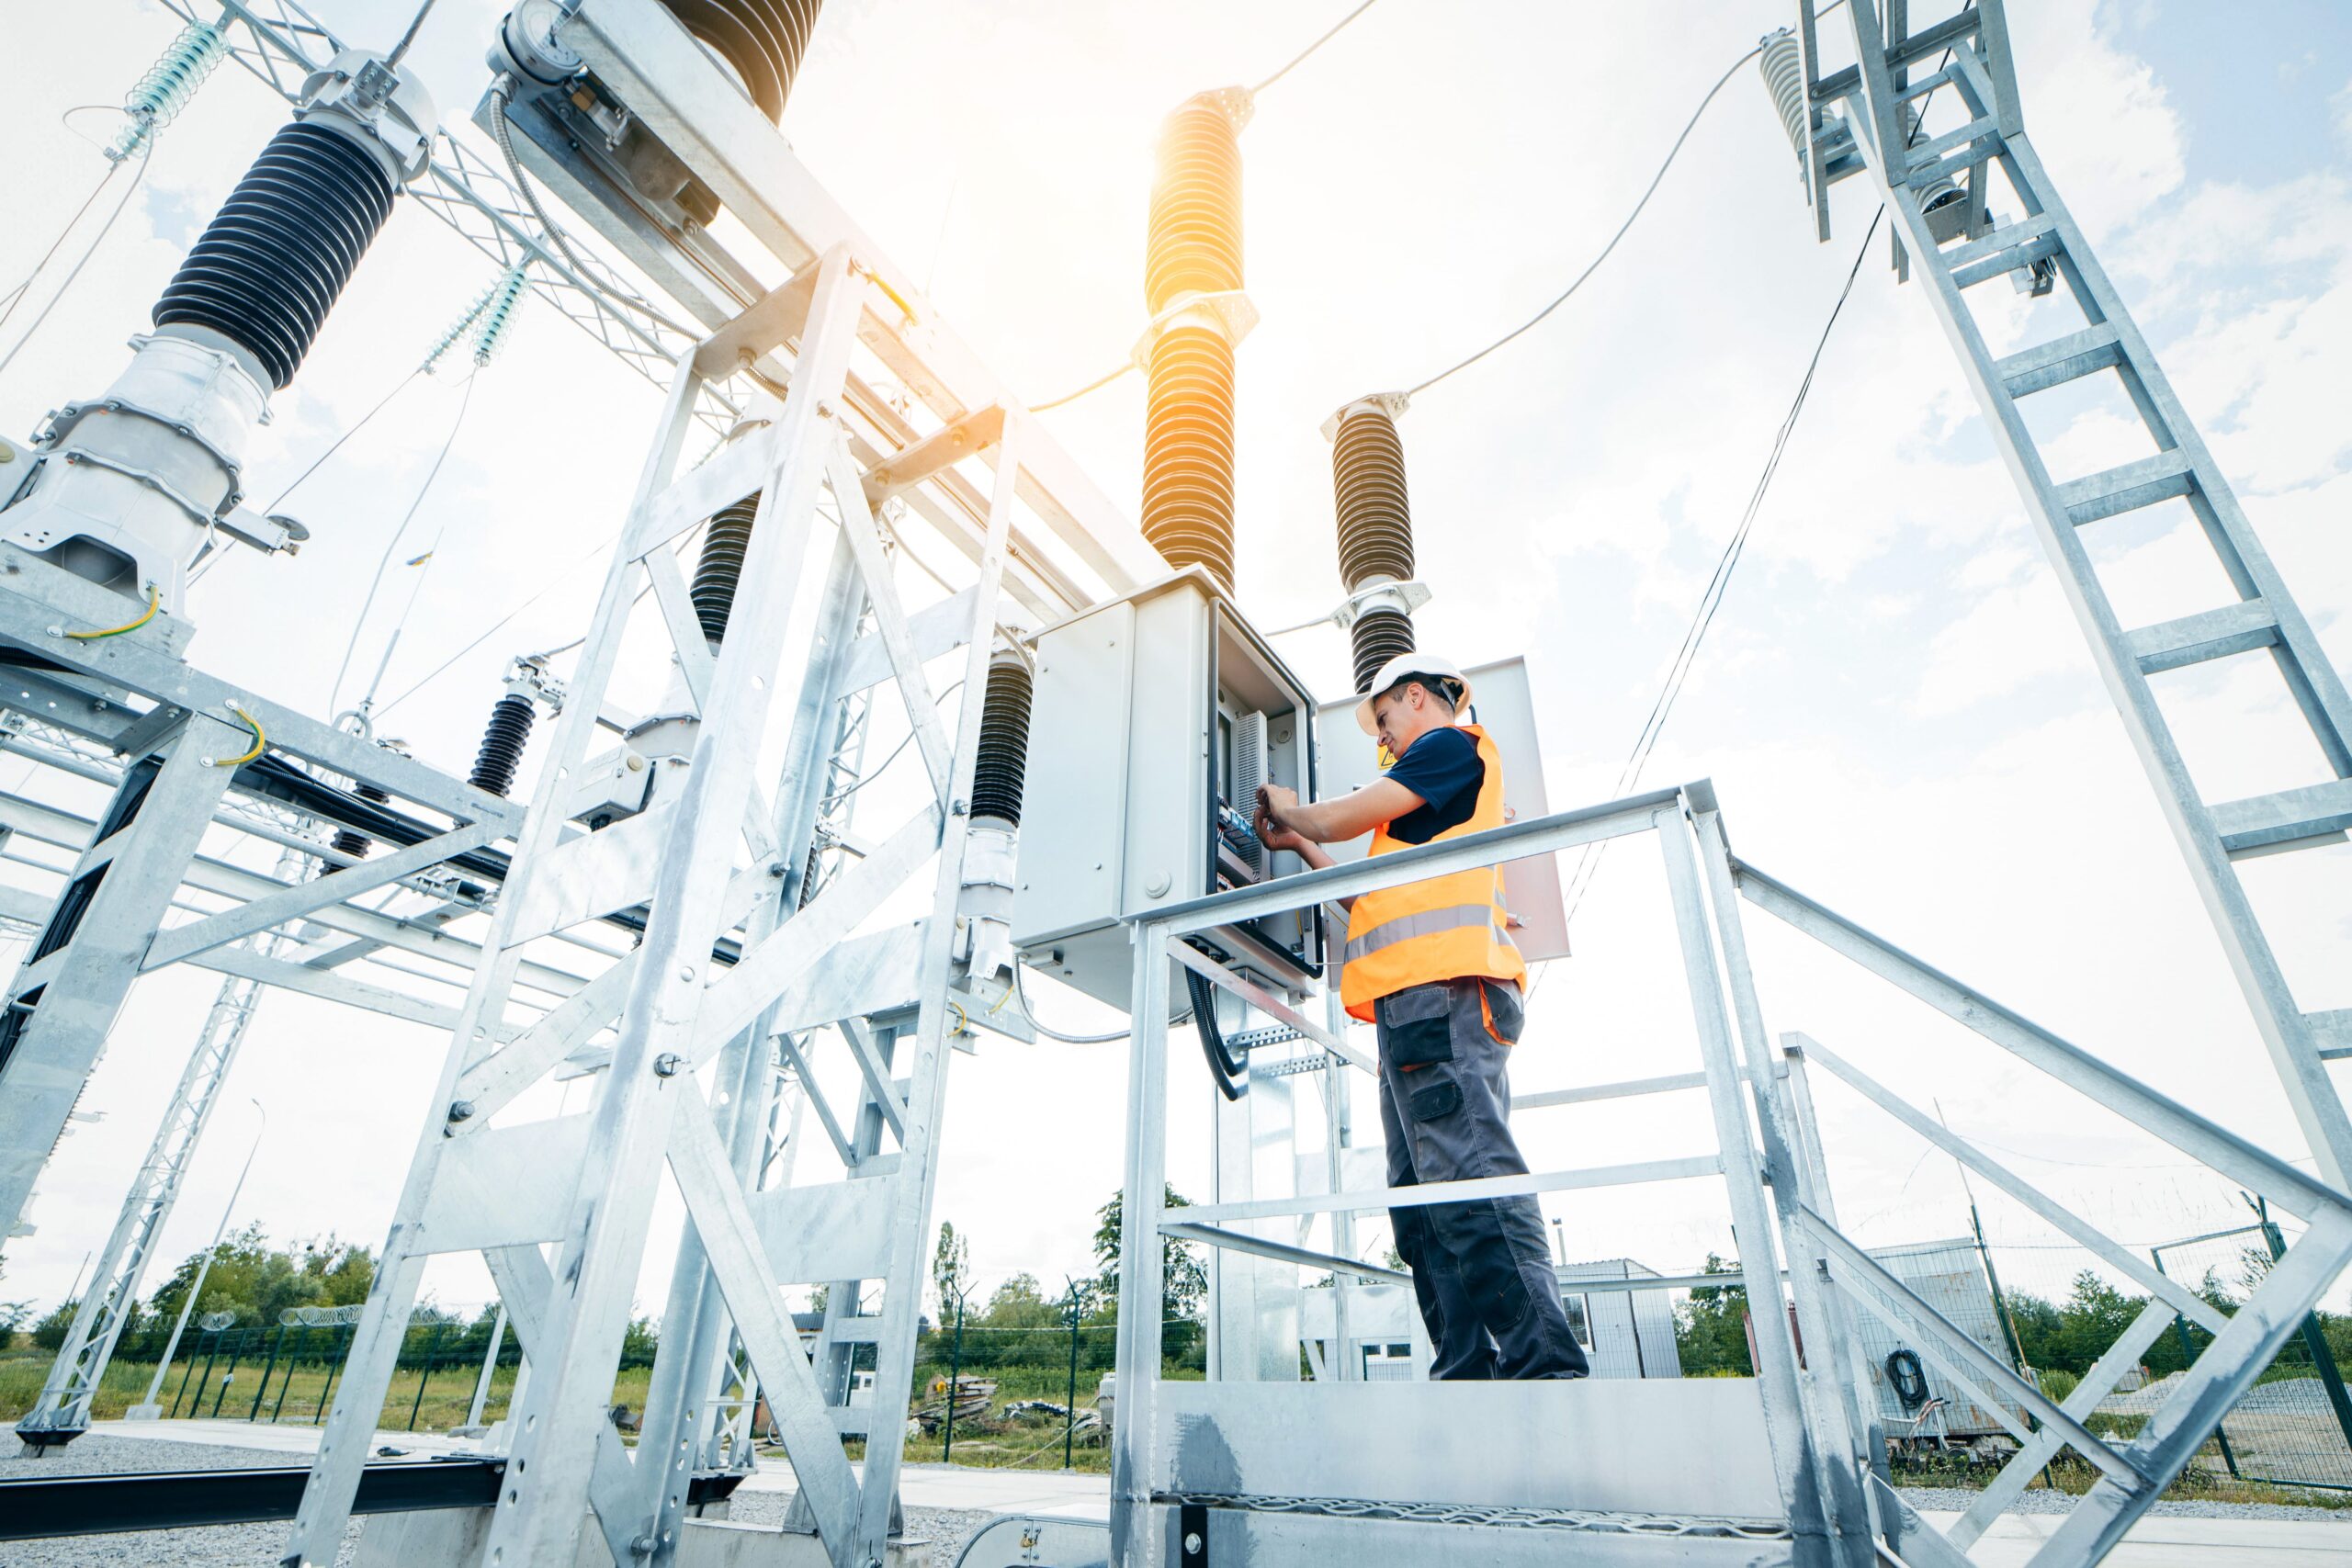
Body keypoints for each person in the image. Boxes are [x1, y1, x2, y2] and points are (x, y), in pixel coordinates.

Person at [1253, 653, 1588, 1381]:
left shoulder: (1451, 745)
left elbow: (1345, 815)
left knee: (1466, 1173)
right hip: (1412, 1008)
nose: (1384, 743)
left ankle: (1546, 1365)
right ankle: (1465, 1370)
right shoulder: (1424, 810)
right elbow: (1363, 899)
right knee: (1420, 1201)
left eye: (1384, 725)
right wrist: (1298, 843)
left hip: (1442, 995)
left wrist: (1292, 807)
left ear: (1416, 697)